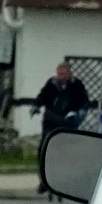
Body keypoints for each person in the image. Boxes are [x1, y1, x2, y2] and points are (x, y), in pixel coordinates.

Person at [33, 63, 91, 194]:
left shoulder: (76, 85)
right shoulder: (51, 84)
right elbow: (42, 96)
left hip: (67, 122)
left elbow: (83, 101)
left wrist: (79, 112)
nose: (61, 76)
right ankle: (44, 181)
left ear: (70, 73)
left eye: (64, 74)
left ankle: (65, 181)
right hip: (50, 121)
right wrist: (36, 106)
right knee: (44, 150)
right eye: (59, 73)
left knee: (67, 153)